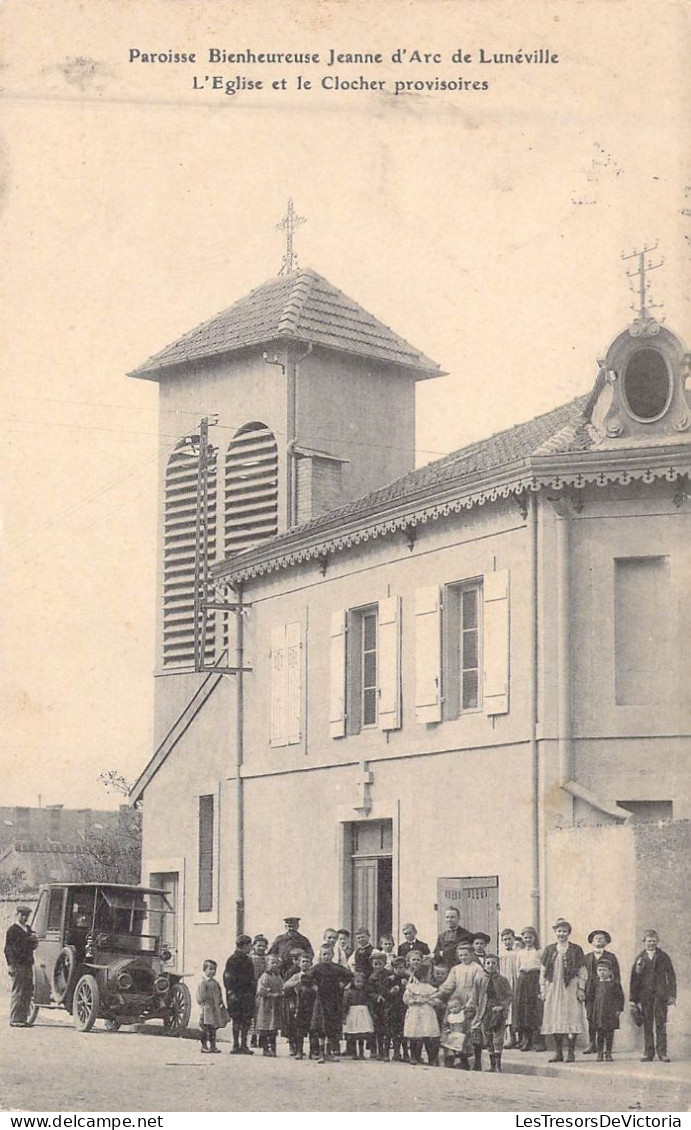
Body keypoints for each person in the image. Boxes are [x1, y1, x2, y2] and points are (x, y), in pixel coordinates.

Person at [540, 918, 588, 1063]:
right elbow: (543, 970)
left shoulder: (576, 949)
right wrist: (543, 989)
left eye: (564, 931)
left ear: (568, 933)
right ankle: (558, 1052)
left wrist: (581, 989)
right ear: (555, 932)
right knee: (556, 1017)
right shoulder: (549, 949)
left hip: (570, 987)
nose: (562, 934)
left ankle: (571, 1052)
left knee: (571, 1016)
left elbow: (582, 970)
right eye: (559, 931)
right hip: (553, 988)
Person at [433, 940, 482, 1069]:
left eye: (466, 955)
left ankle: (475, 1062)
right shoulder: (456, 969)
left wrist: (471, 1002)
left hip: (471, 1001)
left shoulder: (477, 968)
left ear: (471, 954)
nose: (463, 958)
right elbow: (449, 985)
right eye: (460, 955)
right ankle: (453, 1058)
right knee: (453, 1030)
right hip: (457, 1001)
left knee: (469, 1032)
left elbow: (478, 988)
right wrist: (437, 994)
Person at [629, 928, 676, 1063]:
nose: (651, 943)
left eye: (654, 941)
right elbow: (634, 980)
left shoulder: (663, 956)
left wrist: (672, 995)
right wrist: (633, 999)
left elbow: (671, 976)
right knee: (648, 1024)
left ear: (657, 941)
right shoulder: (640, 958)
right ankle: (648, 1053)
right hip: (645, 996)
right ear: (644, 942)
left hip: (661, 995)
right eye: (649, 941)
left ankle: (662, 1053)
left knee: (661, 1024)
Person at [306, 943, 352, 1063]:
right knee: (320, 1027)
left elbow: (349, 975)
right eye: (324, 954)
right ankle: (321, 1053)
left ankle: (329, 1052)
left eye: (328, 954)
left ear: (332, 955)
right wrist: (314, 986)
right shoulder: (317, 968)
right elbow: (306, 978)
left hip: (333, 1000)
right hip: (321, 1000)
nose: (326, 956)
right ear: (321, 955)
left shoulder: (336, 968)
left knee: (331, 1027)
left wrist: (343, 984)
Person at [468, 953, 513, 1073]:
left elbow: (509, 996)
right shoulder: (479, 979)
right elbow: (475, 996)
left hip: (498, 1012)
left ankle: (498, 1065)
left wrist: (501, 1006)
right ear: (484, 965)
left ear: (497, 965)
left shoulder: (502, 980)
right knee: (487, 1037)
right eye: (488, 963)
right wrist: (472, 1008)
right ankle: (492, 1065)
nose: (490, 965)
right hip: (484, 1010)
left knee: (498, 1037)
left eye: (493, 963)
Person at [583, 929, 621, 1055]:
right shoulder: (586, 957)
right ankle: (592, 1043)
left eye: (601, 938)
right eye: (596, 938)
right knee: (591, 1016)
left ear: (606, 942)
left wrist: (614, 988)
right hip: (590, 991)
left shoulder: (611, 957)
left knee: (606, 1018)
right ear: (592, 941)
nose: (599, 940)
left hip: (606, 991)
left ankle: (606, 1048)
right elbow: (582, 975)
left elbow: (616, 975)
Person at [403, 949, 440, 1065]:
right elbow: (406, 999)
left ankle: (432, 1058)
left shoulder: (430, 988)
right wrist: (414, 1001)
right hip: (415, 1012)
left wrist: (429, 1001)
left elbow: (435, 999)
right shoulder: (411, 986)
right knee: (415, 1034)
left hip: (427, 1012)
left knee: (429, 1034)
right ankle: (415, 1057)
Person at [4, 903, 38, 1028]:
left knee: (27, 992)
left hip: (28, 964)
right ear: (17, 915)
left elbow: (34, 945)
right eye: (22, 915)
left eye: (27, 916)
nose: (24, 918)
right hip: (17, 965)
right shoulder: (12, 930)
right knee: (18, 991)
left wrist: (34, 939)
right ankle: (14, 1019)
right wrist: (10, 965)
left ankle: (23, 1019)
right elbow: (8, 950)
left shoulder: (28, 929)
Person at [513, 926, 545, 1052]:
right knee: (523, 1009)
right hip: (523, 979)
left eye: (530, 937)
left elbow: (543, 968)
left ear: (534, 938)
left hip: (534, 979)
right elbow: (517, 968)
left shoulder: (539, 952)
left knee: (535, 1009)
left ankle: (538, 1041)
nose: (527, 940)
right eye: (525, 937)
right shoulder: (520, 952)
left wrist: (541, 984)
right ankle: (526, 1039)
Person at [223, 934, 256, 1055]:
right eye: (249, 945)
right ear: (244, 946)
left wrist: (253, 992)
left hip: (247, 995)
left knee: (246, 1020)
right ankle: (236, 1045)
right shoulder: (232, 959)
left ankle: (244, 1045)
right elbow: (228, 978)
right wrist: (231, 993)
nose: (251, 948)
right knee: (237, 1020)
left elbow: (252, 978)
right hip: (236, 996)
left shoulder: (248, 959)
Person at [283, 952, 317, 1060]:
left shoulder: (314, 976)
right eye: (303, 961)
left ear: (311, 963)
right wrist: (297, 982)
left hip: (312, 1005)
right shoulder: (296, 976)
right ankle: (299, 1051)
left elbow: (318, 988)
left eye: (307, 962)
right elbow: (285, 986)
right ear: (299, 963)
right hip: (300, 1005)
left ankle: (313, 1051)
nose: (305, 964)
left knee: (313, 1029)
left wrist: (313, 985)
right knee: (299, 1030)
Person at [591, 957, 625, 1062]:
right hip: (599, 1012)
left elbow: (620, 998)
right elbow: (591, 997)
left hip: (610, 1013)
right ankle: (600, 1053)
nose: (602, 972)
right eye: (599, 970)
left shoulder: (614, 984)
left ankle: (609, 1053)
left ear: (610, 972)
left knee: (609, 1034)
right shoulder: (595, 984)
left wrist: (619, 1009)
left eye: (604, 970)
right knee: (600, 1034)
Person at [255, 953, 284, 1056]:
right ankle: (265, 1048)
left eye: (277, 963)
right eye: (272, 963)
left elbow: (282, 986)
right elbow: (260, 991)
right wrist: (271, 994)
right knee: (264, 1027)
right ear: (267, 964)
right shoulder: (265, 977)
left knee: (273, 1027)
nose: (275, 965)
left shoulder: (278, 976)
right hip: (265, 1005)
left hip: (275, 1005)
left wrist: (281, 993)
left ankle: (273, 1048)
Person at [342, 969, 375, 1060]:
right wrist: (344, 1016)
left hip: (363, 1013)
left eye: (361, 982)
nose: (359, 984)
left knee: (361, 1034)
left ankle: (361, 1052)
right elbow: (345, 1004)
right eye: (357, 982)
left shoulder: (365, 992)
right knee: (353, 1034)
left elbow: (369, 1003)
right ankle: (354, 1053)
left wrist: (371, 1013)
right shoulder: (348, 992)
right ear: (353, 982)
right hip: (352, 1013)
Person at [196, 959, 225, 1053]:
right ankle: (204, 1046)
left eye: (214, 969)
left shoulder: (215, 983)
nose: (212, 971)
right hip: (207, 1008)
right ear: (204, 970)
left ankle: (213, 1046)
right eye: (210, 969)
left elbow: (219, 993)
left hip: (214, 1008)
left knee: (213, 1028)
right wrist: (204, 1003)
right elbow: (201, 996)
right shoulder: (203, 983)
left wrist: (220, 1002)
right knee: (205, 1027)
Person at [368, 949, 391, 1060]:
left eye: (380, 964)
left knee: (388, 1029)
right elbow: (369, 991)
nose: (378, 966)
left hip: (389, 1005)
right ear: (372, 965)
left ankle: (386, 1052)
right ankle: (379, 1051)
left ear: (385, 964)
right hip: (376, 1006)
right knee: (378, 1030)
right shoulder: (372, 978)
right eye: (375, 964)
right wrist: (377, 997)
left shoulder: (389, 975)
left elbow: (392, 986)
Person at [499, 929, 519, 1048]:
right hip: (505, 984)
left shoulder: (518, 953)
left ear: (513, 939)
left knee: (515, 1010)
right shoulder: (501, 954)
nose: (507, 942)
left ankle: (516, 1037)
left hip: (515, 983)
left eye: (509, 939)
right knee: (506, 1010)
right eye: (505, 939)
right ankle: (508, 1037)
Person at [387, 954, 409, 1062]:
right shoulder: (390, 979)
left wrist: (406, 986)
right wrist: (391, 991)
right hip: (393, 1008)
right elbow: (385, 993)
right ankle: (396, 1052)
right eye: (396, 968)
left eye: (401, 967)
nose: (399, 970)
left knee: (404, 1031)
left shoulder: (408, 978)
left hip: (404, 1007)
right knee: (394, 1030)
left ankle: (406, 1053)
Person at [248, 934, 269, 1047]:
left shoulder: (268, 959)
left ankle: (262, 1038)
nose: (261, 948)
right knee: (253, 1015)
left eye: (263, 946)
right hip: (253, 989)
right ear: (254, 946)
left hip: (265, 989)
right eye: (259, 945)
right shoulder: (250, 958)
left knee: (264, 1014)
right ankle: (253, 1037)